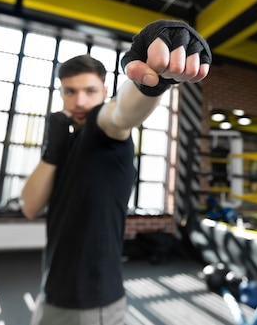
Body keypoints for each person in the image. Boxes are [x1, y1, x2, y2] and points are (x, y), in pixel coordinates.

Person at [21, 20, 211, 325]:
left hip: (91, 303)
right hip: (51, 290)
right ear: (61, 93)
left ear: (104, 91)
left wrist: (151, 80)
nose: (80, 100)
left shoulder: (103, 127)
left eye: (89, 91)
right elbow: (30, 206)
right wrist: (51, 153)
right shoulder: (66, 141)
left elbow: (122, 112)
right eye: (70, 92)